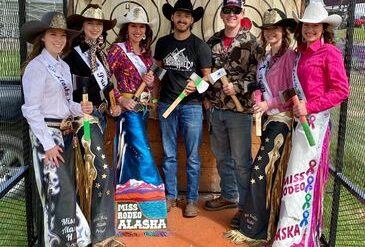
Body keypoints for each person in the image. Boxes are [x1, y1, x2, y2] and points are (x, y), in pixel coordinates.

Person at [272, 1, 349, 246]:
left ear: (324, 28)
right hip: (300, 124)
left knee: (303, 180)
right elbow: (292, 92)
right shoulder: (299, 55)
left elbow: (341, 90)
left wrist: (310, 107)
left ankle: (300, 238)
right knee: (294, 179)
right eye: (306, 25)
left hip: (316, 125)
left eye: (315, 26)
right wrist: (277, 104)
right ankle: (289, 233)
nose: (310, 30)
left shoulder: (331, 53)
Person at [224, 9, 297, 245]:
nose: (270, 33)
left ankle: (256, 227)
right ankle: (260, 223)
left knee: (260, 172)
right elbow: (258, 84)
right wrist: (258, 100)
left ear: (283, 31)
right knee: (266, 174)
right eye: (267, 29)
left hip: (283, 121)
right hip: (268, 120)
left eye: (275, 28)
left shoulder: (290, 57)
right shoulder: (266, 57)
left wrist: (269, 103)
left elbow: (291, 91)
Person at [21, 11, 93, 246]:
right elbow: (31, 110)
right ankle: (70, 241)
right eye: (53, 34)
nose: (59, 39)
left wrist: (80, 107)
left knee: (62, 193)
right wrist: (48, 145)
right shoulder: (36, 67)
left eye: (63, 35)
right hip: (47, 138)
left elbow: (64, 104)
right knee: (59, 194)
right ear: (43, 37)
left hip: (65, 133)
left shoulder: (63, 67)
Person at [63, 4, 124, 246]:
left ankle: (90, 228)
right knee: (95, 171)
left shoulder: (101, 53)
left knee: (93, 172)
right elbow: (71, 92)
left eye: (99, 24)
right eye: (91, 23)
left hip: (100, 118)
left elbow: (106, 86)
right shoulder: (72, 55)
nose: (95, 27)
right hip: (84, 122)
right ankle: (98, 233)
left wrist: (113, 105)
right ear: (82, 26)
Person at [203, 0, 261, 227]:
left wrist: (237, 87)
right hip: (216, 109)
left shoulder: (252, 42)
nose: (231, 14)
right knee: (222, 157)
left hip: (239, 111)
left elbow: (258, 75)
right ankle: (228, 195)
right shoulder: (213, 41)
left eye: (236, 11)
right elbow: (206, 73)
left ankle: (245, 208)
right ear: (221, 14)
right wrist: (206, 98)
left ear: (242, 13)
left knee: (241, 162)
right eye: (227, 10)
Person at [107, 6, 167, 219]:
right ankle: (153, 197)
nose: (137, 30)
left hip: (141, 109)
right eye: (133, 25)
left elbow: (149, 89)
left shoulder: (147, 57)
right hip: (127, 109)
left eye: (141, 26)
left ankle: (131, 196)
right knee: (142, 150)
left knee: (133, 152)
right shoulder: (117, 50)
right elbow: (103, 78)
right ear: (126, 28)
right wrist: (120, 99)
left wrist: (150, 85)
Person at [154, 0, 212, 217]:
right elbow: (158, 73)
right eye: (179, 15)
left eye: (186, 16)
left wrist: (196, 84)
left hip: (192, 107)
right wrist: (153, 101)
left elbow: (207, 79)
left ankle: (192, 200)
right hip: (166, 105)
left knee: (193, 156)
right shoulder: (163, 43)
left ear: (192, 20)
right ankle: (170, 196)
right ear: (172, 17)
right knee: (169, 154)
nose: (182, 19)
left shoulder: (200, 46)